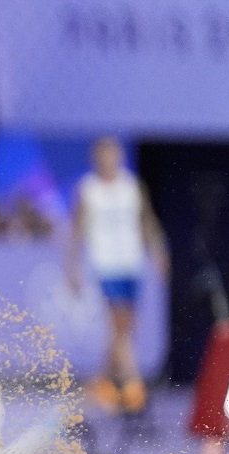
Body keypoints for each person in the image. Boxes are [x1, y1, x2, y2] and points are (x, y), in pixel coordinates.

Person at [68, 137, 169, 415]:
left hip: (132, 263)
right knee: (118, 323)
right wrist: (72, 267)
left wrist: (158, 251)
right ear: (96, 159)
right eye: (103, 156)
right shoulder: (88, 189)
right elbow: (76, 231)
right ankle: (135, 386)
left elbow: (147, 221)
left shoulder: (131, 186)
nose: (108, 160)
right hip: (104, 263)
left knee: (126, 327)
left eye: (113, 155)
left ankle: (102, 382)